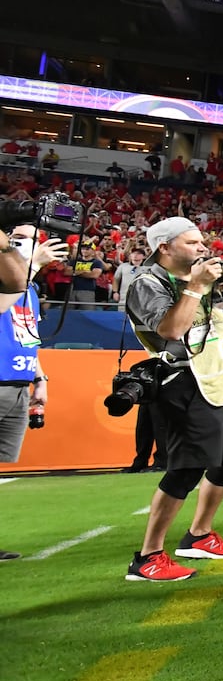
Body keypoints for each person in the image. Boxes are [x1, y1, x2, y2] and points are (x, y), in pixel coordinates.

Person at [123, 218, 223, 581]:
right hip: (186, 383)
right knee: (186, 469)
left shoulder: (208, 281)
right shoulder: (147, 283)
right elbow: (171, 330)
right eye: (192, 242)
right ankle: (147, 556)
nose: (202, 248)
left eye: (202, 241)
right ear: (164, 247)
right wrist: (196, 287)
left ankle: (199, 534)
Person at [0, 224, 65, 560]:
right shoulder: (14, 279)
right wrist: (32, 267)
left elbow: (27, 335)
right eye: (24, 236)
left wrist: (40, 378)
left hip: (17, 383)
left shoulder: (31, 289)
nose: (35, 242)